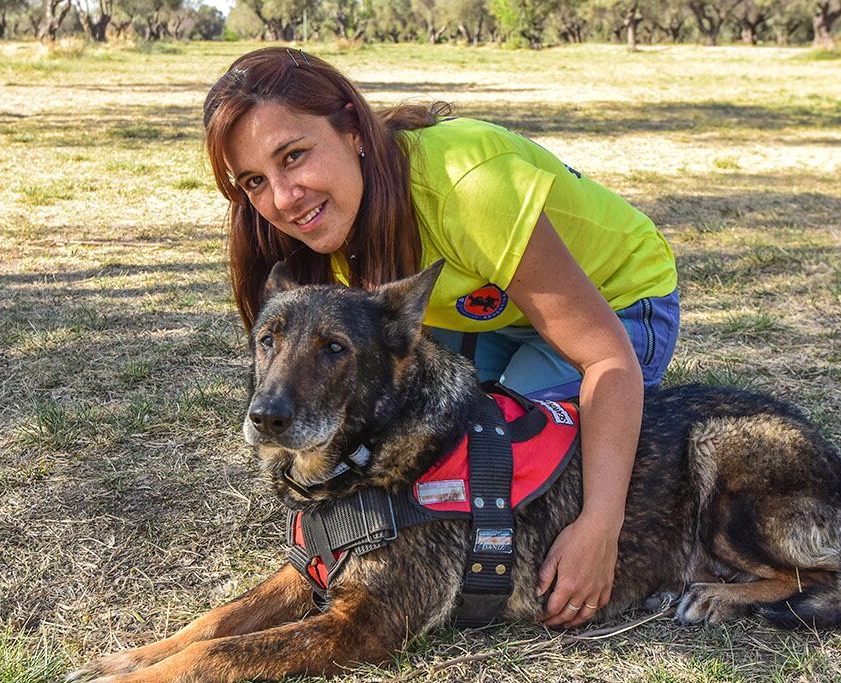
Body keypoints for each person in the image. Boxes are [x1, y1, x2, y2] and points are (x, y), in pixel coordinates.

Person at [202, 47, 679, 629]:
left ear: (353, 128)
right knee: (431, 434)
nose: (282, 198)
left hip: (619, 305)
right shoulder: (326, 221)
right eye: (255, 180)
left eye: (294, 155)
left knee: (505, 453)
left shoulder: (465, 187)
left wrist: (600, 526)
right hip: (492, 311)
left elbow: (607, 359)